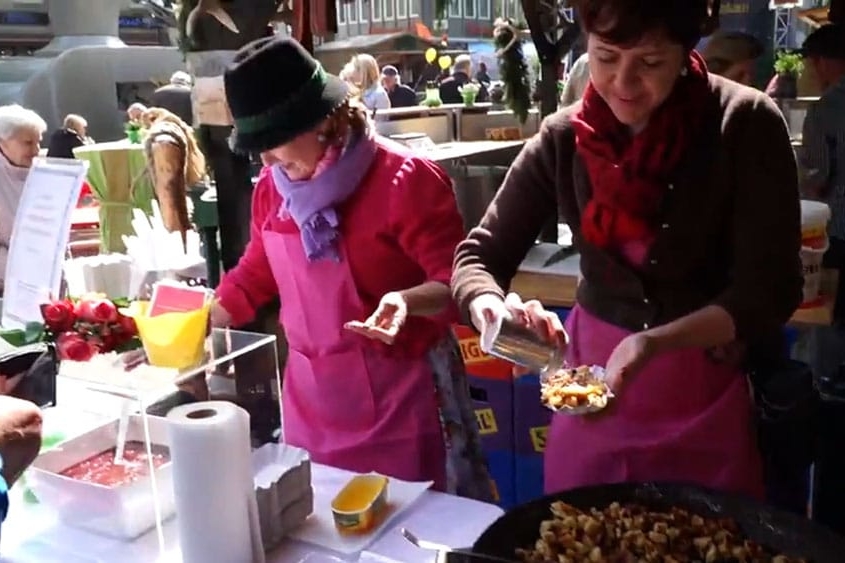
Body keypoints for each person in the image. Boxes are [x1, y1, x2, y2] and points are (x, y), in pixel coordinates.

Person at [452, 0, 803, 499]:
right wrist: (491, 309)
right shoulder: (564, 137)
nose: (623, 82)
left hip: (702, 388)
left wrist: (656, 342)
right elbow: (478, 258)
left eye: (650, 62)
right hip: (591, 393)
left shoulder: (742, 122)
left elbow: (771, 288)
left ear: (686, 51)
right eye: (605, 57)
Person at [212, 37, 492, 500]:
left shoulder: (404, 180)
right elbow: (255, 273)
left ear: (324, 120)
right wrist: (198, 322)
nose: (263, 160)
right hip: (310, 402)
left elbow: (455, 282)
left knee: (415, 532)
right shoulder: (272, 189)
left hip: (403, 400)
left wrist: (405, 300)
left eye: (273, 141)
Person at [0, 104, 46, 293]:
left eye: (39, 142)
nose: (36, 150)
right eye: (28, 143)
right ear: (2, 143)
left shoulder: (43, 172)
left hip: (41, 276)